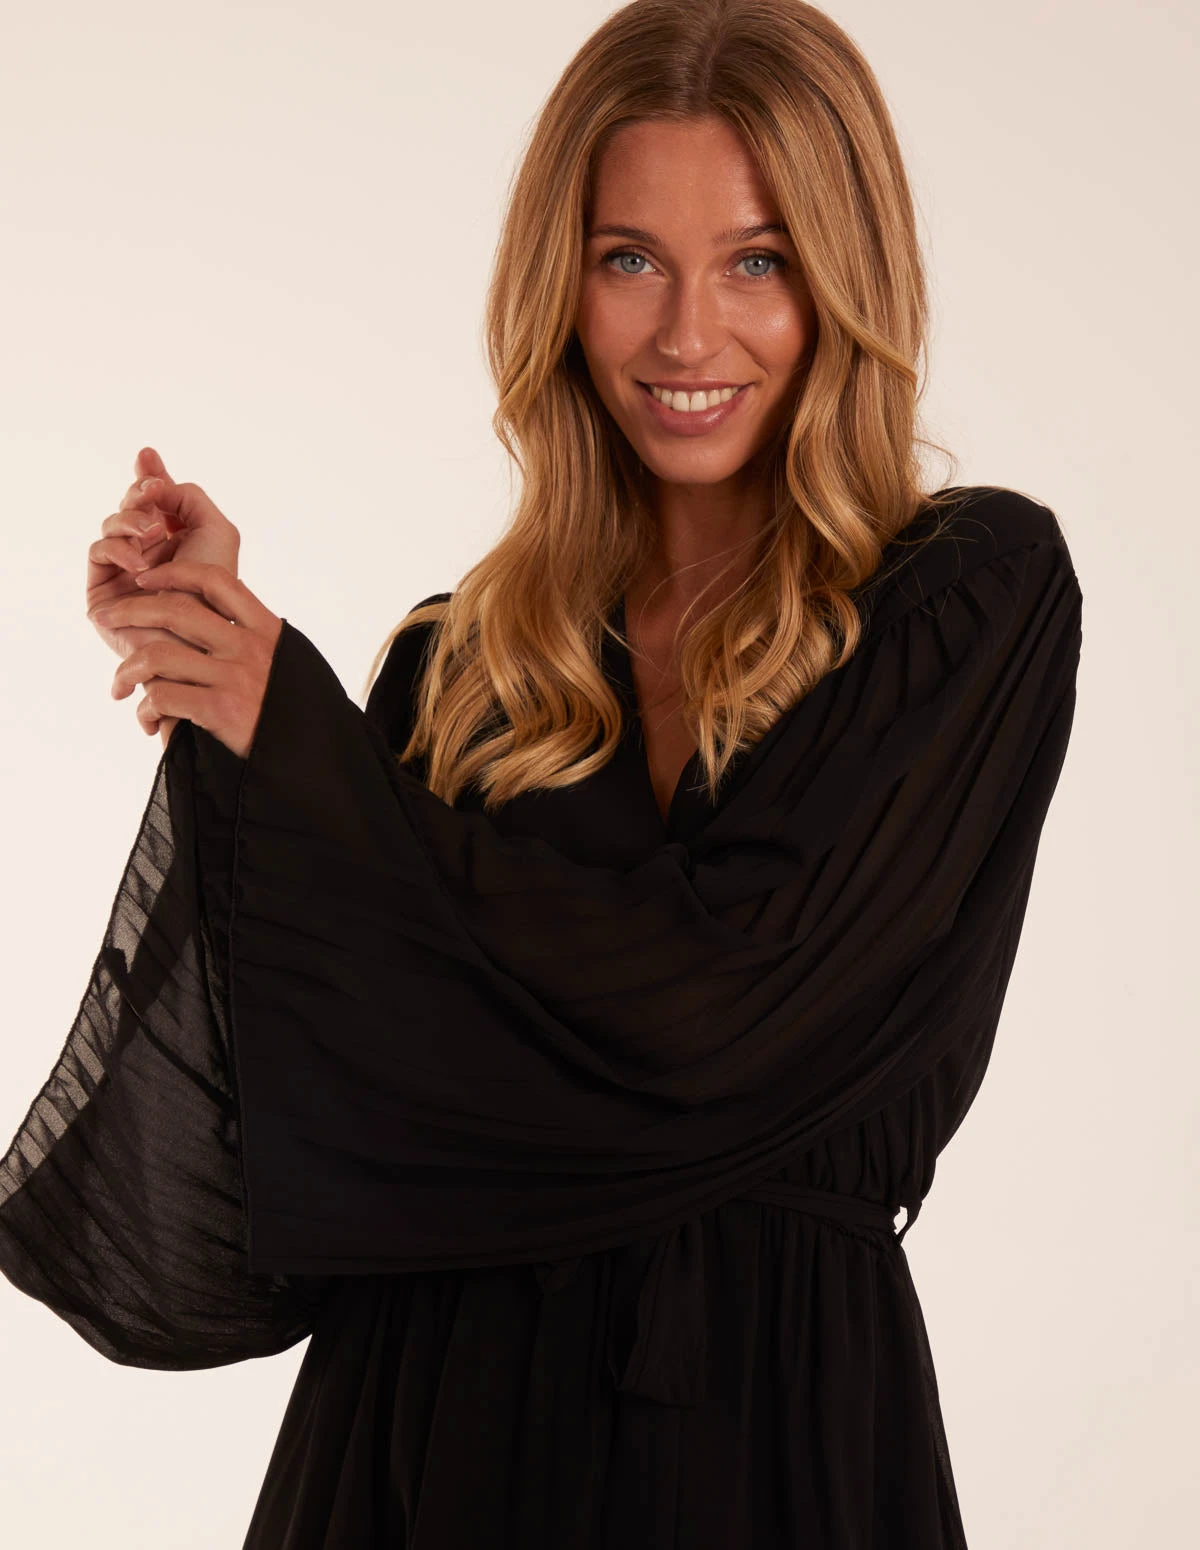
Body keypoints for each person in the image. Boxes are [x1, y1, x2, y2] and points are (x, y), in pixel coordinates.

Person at [0, 2, 1084, 1546]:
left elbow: (710, 1010)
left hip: (780, 1431)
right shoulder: (460, 673)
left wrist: (295, 737)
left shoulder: (964, 603)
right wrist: (227, 687)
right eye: (629, 258)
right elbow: (287, 1153)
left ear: (847, 280)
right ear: (557, 287)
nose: (687, 335)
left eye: (758, 261)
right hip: (426, 1430)